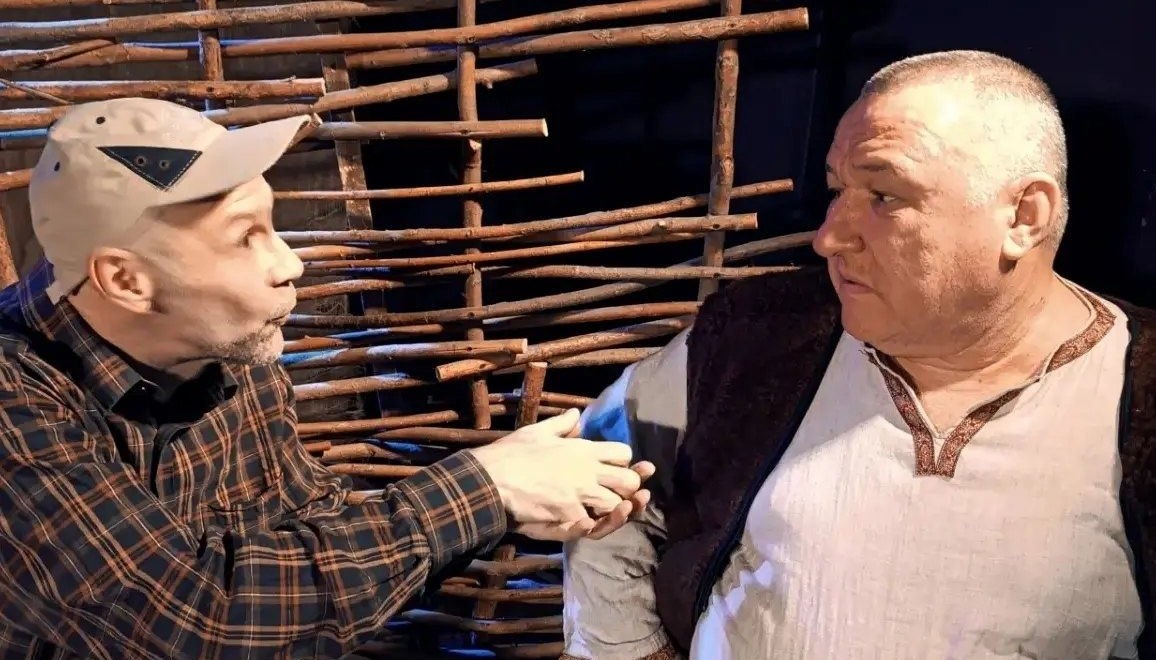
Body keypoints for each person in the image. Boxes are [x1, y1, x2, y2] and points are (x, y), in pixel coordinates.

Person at [0, 97, 653, 660]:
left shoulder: (229, 358)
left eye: (272, 225)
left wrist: (516, 500)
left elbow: (309, 536)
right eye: (245, 238)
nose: (289, 263)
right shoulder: (14, 399)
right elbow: (199, 620)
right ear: (126, 280)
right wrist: (486, 490)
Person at [561, 49, 1156, 660]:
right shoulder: (761, 335)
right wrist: (630, 650)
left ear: (1024, 216)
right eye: (837, 190)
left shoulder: (1138, 391)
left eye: (884, 196)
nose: (829, 238)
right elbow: (599, 461)